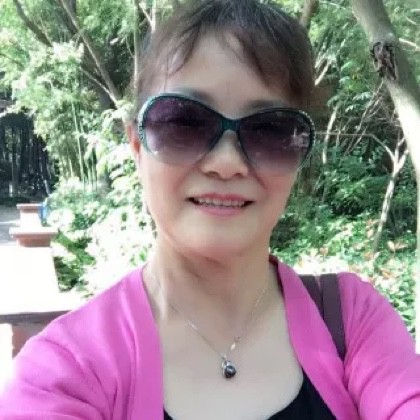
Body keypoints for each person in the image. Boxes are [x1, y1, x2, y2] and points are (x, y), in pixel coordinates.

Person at [1, 0, 420, 418]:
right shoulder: (66, 371)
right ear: (137, 146)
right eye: (183, 123)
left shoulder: (351, 320)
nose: (226, 163)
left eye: (270, 130)